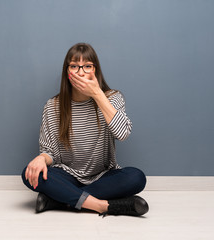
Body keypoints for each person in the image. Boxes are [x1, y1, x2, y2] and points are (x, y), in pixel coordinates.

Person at [21, 43, 149, 217]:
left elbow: (123, 133)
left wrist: (97, 94)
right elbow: (48, 151)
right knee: (28, 173)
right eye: (74, 66)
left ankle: (60, 198)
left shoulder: (113, 98)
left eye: (87, 66)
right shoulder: (52, 106)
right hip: (66, 174)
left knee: (136, 177)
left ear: (95, 70)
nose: (81, 72)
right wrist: (40, 159)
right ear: (67, 71)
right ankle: (101, 205)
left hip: (103, 176)